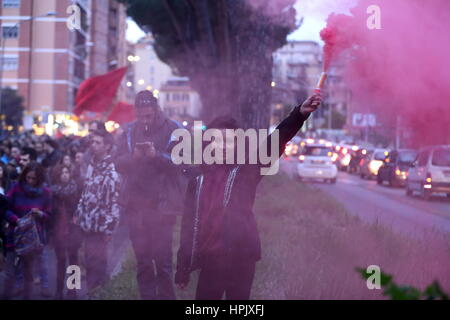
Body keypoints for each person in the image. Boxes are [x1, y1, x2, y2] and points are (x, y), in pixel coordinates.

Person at [175, 93, 322, 300]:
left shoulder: (246, 172)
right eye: (217, 141)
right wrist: (182, 268)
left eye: (229, 141)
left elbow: (274, 142)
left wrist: (299, 114)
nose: (223, 146)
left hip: (241, 260)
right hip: (210, 262)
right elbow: (188, 226)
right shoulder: (197, 180)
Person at [115, 90, 181, 300]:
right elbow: (117, 163)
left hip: (162, 207)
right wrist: (133, 157)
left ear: (156, 110)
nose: (144, 120)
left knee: (162, 264)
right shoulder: (128, 131)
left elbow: (183, 163)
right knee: (143, 262)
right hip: (135, 207)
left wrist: (157, 156)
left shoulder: (173, 129)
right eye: (141, 116)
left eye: (148, 116)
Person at [73, 129, 120, 292]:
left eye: (98, 142)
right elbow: (86, 193)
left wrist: (108, 229)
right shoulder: (92, 166)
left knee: (97, 269)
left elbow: (114, 204)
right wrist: (78, 213)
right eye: (92, 142)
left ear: (107, 146)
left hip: (99, 229)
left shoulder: (111, 172)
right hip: (87, 225)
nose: (93, 145)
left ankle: (97, 294)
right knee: (89, 264)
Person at [1, 163, 52, 299]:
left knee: (29, 272)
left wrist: (40, 214)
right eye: (28, 178)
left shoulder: (46, 192)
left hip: (33, 237)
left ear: (39, 178)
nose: (30, 181)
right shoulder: (15, 188)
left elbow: (49, 214)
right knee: (9, 271)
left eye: (34, 178)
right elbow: (4, 209)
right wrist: (16, 220)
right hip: (15, 233)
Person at [50, 164, 82, 300]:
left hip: (73, 229)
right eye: (61, 173)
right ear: (57, 176)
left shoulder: (75, 189)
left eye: (66, 172)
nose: (64, 175)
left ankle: (72, 289)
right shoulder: (52, 192)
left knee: (73, 261)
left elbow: (80, 208)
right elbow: (50, 213)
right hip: (58, 230)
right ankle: (59, 290)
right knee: (61, 261)